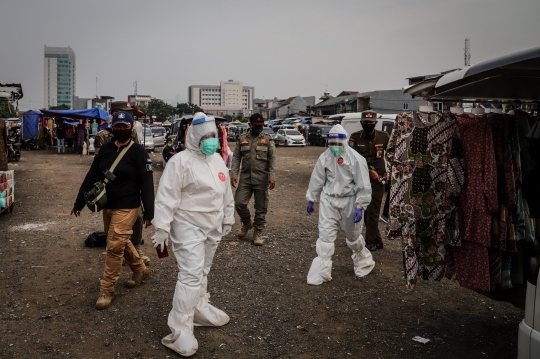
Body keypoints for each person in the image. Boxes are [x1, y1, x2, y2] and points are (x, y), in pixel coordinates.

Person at [152, 113, 234, 357]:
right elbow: (167, 196)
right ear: (196, 137)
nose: (211, 141)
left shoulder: (218, 160)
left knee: (203, 270)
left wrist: (228, 217)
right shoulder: (180, 161)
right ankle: (180, 329)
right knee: (190, 274)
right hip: (187, 224)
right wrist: (162, 227)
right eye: (206, 136)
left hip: (213, 224)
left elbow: (225, 191)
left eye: (213, 136)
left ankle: (199, 308)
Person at [71, 111, 155, 310]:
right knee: (119, 240)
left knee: (114, 246)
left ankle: (107, 289)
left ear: (131, 128)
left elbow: (147, 184)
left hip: (128, 205)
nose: (120, 130)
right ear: (112, 128)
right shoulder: (106, 149)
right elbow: (91, 175)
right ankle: (140, 270)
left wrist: (149, 212)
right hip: (108, 205)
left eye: (124, 127)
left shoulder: (138, 152)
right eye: (117, 126)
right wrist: (79, 203)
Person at [306, 124, 375, 285]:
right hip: (329, 200)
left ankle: (364, 262)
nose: (335, 147)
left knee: (353, 237)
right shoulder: (325, 157)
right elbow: (317, 178)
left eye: (338, 144)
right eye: (332, 144)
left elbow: (363, 184)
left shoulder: (356, 159)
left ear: (344, 142)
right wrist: (311, 198)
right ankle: (321, 273)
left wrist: (360, 205)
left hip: (349, 201)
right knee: (325, 237)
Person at [95, 101, 149, 265]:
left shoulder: (130, 132)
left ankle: (136, 249)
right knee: (113, 228)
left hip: (130, 186)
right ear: (115, 112)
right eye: (125, 112)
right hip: (112, 187)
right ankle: (127, 256)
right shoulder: (103, 136)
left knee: (138, 217)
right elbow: (99, 163)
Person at [231, 113, 276, 246]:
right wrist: (234, 174)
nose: (259, 127)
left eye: (261, 125)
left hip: (262, 178)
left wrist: (272, 176)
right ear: (250, 125)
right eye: (256, 125)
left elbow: (272, 159)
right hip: (246, 177)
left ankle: (257, 232)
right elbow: (236, 157)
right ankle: (246, 223)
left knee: (261, 207)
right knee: (239, 203)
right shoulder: (242, 138)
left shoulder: (268, 139)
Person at [349, 110, 390, 251]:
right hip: (361, 180)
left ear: (375, 123)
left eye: (371, 123)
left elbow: (393, 154)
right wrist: (368, 171)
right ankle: (378, 241)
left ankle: (369, 244)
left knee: (372, 212)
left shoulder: (384, 137)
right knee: (365, 212)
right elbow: (351, 160)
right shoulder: (355, 138)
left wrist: (389, 173)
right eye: (366, 122)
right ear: (361, 123)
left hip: (378, 181)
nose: (368, 125)